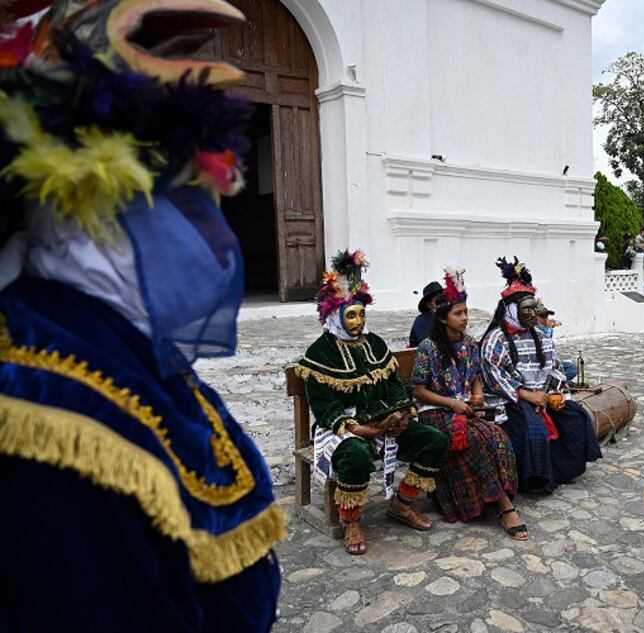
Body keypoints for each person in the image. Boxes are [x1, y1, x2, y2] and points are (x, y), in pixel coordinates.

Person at [0, 2, 285, 630]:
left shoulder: (113, 342)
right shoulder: (42, 421)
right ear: (87, 203)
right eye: (179, 202)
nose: (215, 241)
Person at [296, 250, 449, 555]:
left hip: (384, 422)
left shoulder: (375, 344)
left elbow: (394, 387)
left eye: (361, 314)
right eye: (350, 315)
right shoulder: (319, 353)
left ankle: (402, 503)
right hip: (342, 428)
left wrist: (401, 415)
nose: (357, 321)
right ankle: (351, 520)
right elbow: (325, 408)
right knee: (356, 457)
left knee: (434, 440)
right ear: (334, 316)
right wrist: (361, 429)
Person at [411, 266, 527, 539]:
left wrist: (477, 396)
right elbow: (419, 391)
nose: (464, 318)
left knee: (497, 434)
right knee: (475, 438)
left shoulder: (470, 344)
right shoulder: (429, 348)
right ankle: (503, 506)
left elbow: (474, 376)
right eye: (458, 314)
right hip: (436, 411)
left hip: (464, 408)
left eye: (466, 312)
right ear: (442, 318)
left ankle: (496, 495)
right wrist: (452, 404)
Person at [480, 257, 602, 494]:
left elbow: (554, 367)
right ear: (512, 310)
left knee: (577, 416)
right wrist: (528, 395)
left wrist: (555, 394)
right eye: (526, 309)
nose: (531, 313)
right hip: (512, 399)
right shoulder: (496, 338)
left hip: (542, 396)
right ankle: (535, 482)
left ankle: (562, 471)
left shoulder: (540, 336)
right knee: (534, 430)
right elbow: (493, 376)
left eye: (533, 308)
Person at [535, 300, 578, 383]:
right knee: (568, 377)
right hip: (541, 366)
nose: (545, 319)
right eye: (542, 317)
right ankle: (559, 382)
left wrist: (549, 328)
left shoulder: (545, 328)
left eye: (546, 316)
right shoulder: (535, 330)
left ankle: (557, 382)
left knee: (572, 368)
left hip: (550, 363)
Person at [409, 280, 443, 348]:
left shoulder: (447, 316)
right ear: (429, 304)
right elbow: (430, 346)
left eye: (444, 299)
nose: (442, 302)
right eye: (438, 300)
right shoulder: (421, 321)